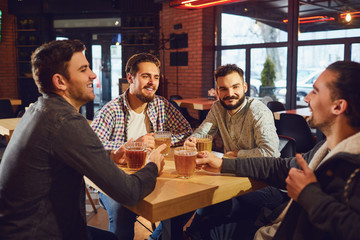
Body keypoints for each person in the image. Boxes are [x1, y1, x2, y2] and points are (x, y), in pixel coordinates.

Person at [0, 39, 165, 240]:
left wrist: (111, 155)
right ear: (60, 82)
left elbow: (62, 153)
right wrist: (153, 165)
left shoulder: (40, 108)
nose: (93, 75)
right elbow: (129, 192)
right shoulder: (66, 120)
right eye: (83, 69)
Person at [192, 60, 360, 240]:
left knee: (214, 216)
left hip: (284, 228)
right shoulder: (325, 148)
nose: (306, 97)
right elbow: (277, 166)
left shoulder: (352, 165)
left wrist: (309, 195)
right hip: (280, 223)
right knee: (206, 224)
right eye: (223, 89)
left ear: (338, 106)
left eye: (315, 91)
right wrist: (223, 163)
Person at [150, 64, 284, 240]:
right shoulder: (218, 108)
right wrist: (192, 140)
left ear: (244, 87)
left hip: (266, 184)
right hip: (234, 176)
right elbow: (202, 133)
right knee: (189, 193)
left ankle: (180, 236)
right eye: (223, 89)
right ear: (217, 91)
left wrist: (237, 154)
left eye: (235, 87)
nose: (230, 93)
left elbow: (270, 154)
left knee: (205, 200)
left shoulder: (258, 111)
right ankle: (165, 237)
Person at [90, 52, 192, 239]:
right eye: (145, 76)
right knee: (122, 211)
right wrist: (131, 146)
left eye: (155, 77)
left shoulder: (162, 105)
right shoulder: (111, 110)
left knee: (186, 202)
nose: (152, 83)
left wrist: (162, 140)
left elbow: (186, 132)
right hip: (116, 179)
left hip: (156, 175)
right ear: (130, 78)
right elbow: (93, 147)